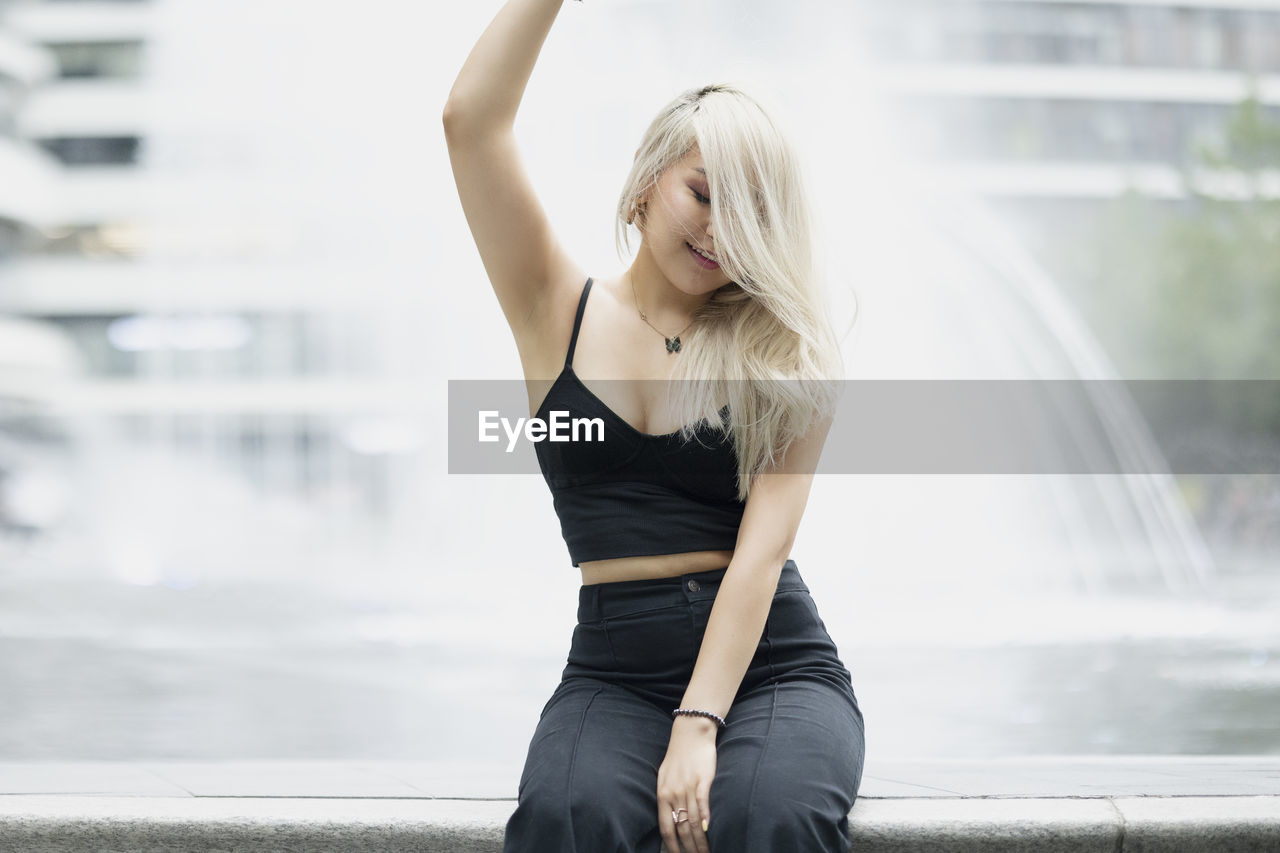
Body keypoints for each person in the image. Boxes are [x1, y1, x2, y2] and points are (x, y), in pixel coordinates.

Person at [443, 2, 865, 850]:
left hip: (773, 666)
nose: (718, 230)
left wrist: (700, 720)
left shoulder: (787, 351)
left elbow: (763, 552)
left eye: (747, 216)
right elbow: (470, 123)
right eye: (702, 194)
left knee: (765, 816)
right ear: (645, 184)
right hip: (613, 666)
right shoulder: (550, 307)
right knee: (571, 815)